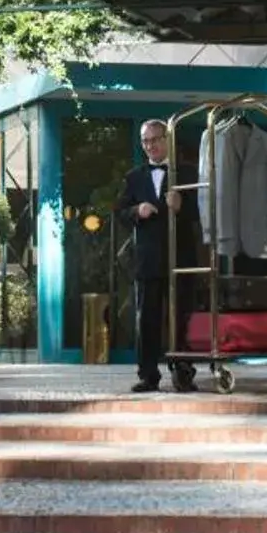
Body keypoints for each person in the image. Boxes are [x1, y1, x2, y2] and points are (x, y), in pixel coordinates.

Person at [113, 118, 180, 393]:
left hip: (181, 259)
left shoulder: (186, 173)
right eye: (145, 141)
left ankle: (184, 373)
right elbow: (119, 212)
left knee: (182, 319)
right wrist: (136, 210)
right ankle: (148, 375)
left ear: (167, 139)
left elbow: (206, 213)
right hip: (148, 259)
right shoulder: (134, 177)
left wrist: (182, 206)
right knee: (147, 319)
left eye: (155, 139)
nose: (150, 146)